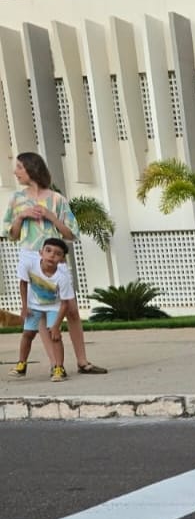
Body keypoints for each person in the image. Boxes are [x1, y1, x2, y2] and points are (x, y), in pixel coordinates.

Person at [3, 151, 107, 374]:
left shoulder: (57, 200)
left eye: (19, 167)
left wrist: (51, 216)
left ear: (32, 169)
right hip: (30, 258)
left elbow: (71, 234)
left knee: (71, 309)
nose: (16, 172)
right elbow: (10, 235)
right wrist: (21, 217)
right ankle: (55, 365)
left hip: (56, 260)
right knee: (38, 311)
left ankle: (82, 361)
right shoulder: (16, 199)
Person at [10, 237, 74, 382]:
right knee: (28, 333)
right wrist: (24, 306)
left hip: (54, 306)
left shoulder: (62, 278)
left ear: (62, 260)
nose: (52, 255)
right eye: (48, 251)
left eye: (57, 254)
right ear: (41, 252)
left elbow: (65, 304)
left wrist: (56, 326)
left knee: (55, 336)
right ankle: (21, 364)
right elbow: (23, 284)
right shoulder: (30, 265)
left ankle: (59, 368)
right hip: (34, 305)